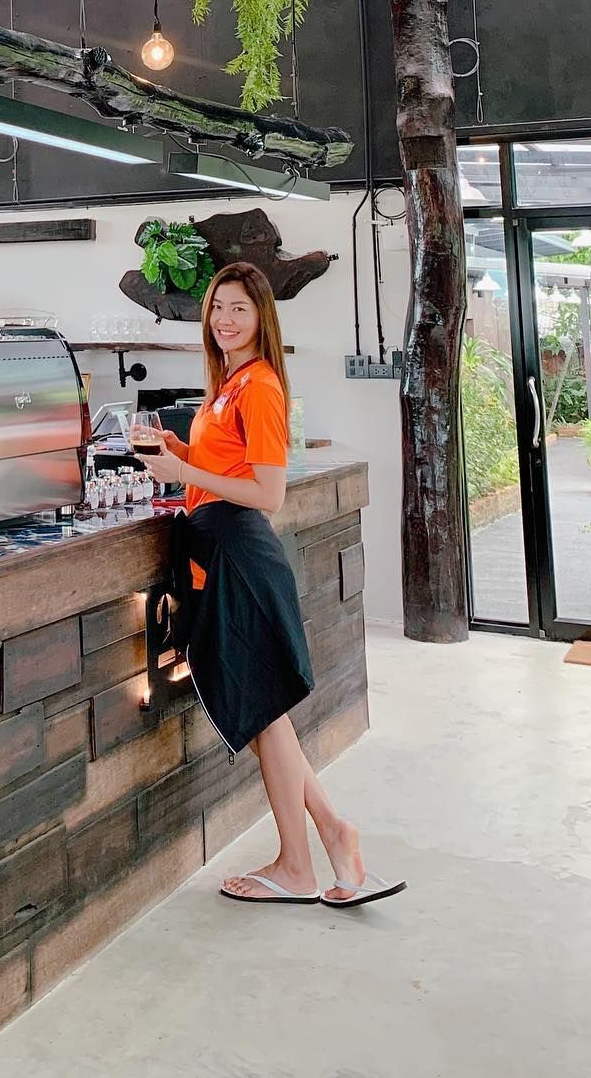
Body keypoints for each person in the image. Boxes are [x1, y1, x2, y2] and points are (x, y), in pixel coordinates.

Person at [137, 260, 403, 909]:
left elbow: (268, 492)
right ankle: (332, 834)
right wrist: (183, 454)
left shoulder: (258, 386)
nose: (225, 319)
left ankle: (297, 866)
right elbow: (228, 470)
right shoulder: (228, 384)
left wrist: (181, 471)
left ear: (262, 318)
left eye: (239, 308)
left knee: (264, 713)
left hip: (240, 555)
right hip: (223, 551)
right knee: (266, 717)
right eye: (218, 307)